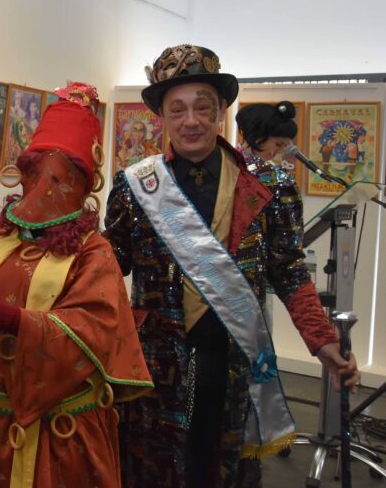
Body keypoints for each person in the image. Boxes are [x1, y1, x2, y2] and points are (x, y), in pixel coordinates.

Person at [103, 44, 360, 488]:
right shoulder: (135, 186)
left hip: (236, 357)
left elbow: (290, 272)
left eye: (203, 108)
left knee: (222, 466)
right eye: (177, 109)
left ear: (221, 110)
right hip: (155, 359)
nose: (191, 121)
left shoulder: (270, 184)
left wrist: (323, 342)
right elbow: (109, 266)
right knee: (155, 467)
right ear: (161, 116)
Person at [0, 83, 153, 488]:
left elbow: (95, 331)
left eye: (63, 173)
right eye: (36, 171)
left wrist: (16, 322)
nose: (46, 186)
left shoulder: (94, 254)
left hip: (54, 435)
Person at [236, 101, 298, 166]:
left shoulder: (271, 166)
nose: (281, 151)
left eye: (285, 146)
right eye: (278, 144)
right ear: (257, 135)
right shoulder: (233, 163)